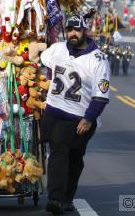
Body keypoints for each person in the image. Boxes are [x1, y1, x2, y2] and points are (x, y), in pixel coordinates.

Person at [41, 13, 110, 214]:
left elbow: (101, 94)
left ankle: (66, 197)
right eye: (69, 29)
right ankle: (55, 198)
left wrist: (89, 118)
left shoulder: (98, 59)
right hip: (54, 113)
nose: (72, 33)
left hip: (78, 118)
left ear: (84, 31)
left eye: (77, 30)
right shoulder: (58, 49)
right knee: (58, 153)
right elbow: (41, 58)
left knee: (74, 159)